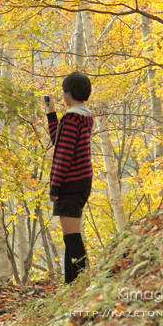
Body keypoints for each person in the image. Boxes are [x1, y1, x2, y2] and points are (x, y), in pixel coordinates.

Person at [44, 71, 94, 284]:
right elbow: (60, 139)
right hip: (82, 181)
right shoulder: (84, 115)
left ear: (69, 93)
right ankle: (72, 283)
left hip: (71, 184)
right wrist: (51, 115)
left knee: (72, 238)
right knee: (70, 237)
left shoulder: (72, 118)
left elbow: (63, 155)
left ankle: (79, 284)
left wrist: (54, 188)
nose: (62, 95)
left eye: (64, 91)